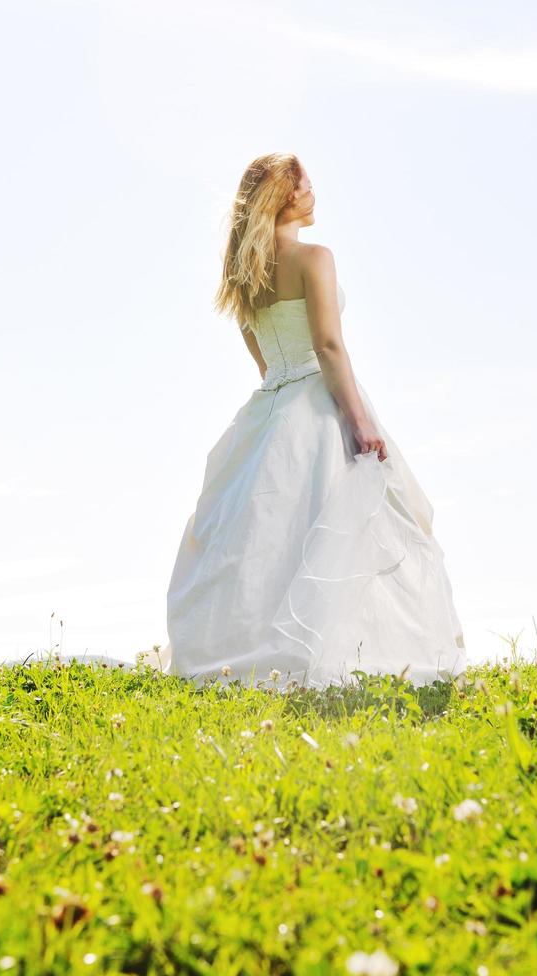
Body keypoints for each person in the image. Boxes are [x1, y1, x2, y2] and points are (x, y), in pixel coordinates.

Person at [153, 152, 467, 690]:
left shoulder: (244, 277)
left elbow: (265, 364)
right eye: (306, 186)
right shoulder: (315, 258)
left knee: (268, 539)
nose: (314, 194)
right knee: (348, 527)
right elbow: (327, 345)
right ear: (285, 196)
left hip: (273, 409)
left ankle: (251, 653)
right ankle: (355, 649)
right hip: (321, 404)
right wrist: (360, 420)